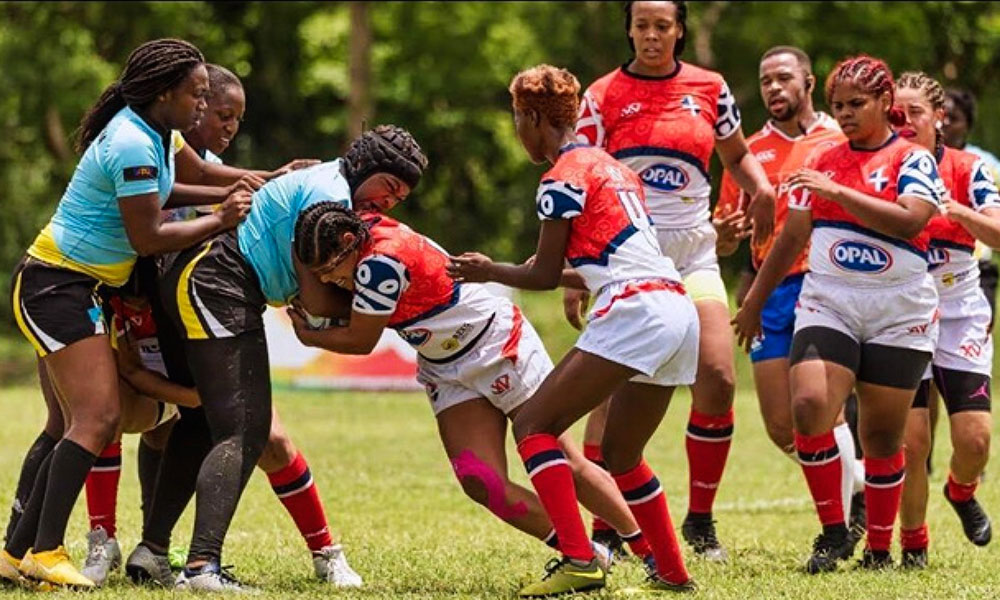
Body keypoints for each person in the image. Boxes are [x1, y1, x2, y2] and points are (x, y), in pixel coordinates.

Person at [92, 63, 359, 589]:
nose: (228, 125)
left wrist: (276, 180)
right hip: (135, 299)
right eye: (219, 112)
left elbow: (233, 197)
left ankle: (323, 550)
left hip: (177, 302)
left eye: (237, 117)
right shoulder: (147, 147)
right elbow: (162, 222)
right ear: (184, 103)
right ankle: (115, 544)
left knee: (255, 435)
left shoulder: (203, 163)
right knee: (113, 421)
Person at [1, 38, 253, 590]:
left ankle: (13, 551)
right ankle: (45, 550)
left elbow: (196, 181)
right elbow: (149, 235)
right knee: (97, 418)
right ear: (163, 91)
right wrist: (222, 220)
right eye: (196, 94)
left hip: (75, 287)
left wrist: (265, 178)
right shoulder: (132, 142)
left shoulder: (159, 132)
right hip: (54, 285)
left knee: (69, 424)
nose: (203, 105)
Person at [285, 204, 658, 573]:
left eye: (331, 271)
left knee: (564, 459)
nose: (332, 281)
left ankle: (650, 553)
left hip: (496, 344)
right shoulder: (357, 231)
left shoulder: (380, 263)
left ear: (350, 241)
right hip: (444, 367)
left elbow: (360, 340)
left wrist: (309, 336)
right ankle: (587, 555)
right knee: (482, 482)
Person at [136, 124, 426, 592]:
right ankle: (201, 567)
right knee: (245, 429)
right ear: (367, 169)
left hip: (206, 275)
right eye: (389, 187)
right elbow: (314, 299)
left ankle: (152, 550)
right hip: (220, 278)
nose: (390, 202)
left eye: (401, 197)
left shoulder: (332, 187)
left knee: (199, 418)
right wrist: (389, 306)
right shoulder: (328, 196)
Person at [449, 63, 699, 597]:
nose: (517, 129)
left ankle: (580, 558)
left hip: (635, 309)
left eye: (517, 117)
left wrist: (489, 269)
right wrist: (541, 271)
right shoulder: (610, 167)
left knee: (535, 425)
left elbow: (540, 274)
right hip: (676, 307)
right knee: (622, 453)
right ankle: (672, 573)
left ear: (535, 117)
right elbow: (604, 259)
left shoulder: (560, 178)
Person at [570, 0, 776, 560]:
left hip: (694, 256)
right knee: (608, 394)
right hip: (627, 258)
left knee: (718, 376)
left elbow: (738, 156)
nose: (652, 36)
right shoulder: (602, 94)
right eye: (642, 26)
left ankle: (701, 522)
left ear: (679, 30)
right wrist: (574, 274)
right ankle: (605, 530)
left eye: (663, 26)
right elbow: (579, 179)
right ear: (629, 30)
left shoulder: (710, 87)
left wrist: (763, 189)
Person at [733, 55, 946, 572]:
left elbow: (909, 221)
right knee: (808, 406)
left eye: (857, 104)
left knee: (879, 437)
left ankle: (877, 547)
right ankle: (832, 531)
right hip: (829, 299)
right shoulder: (823, 161)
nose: (846, 114)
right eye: (839, 106)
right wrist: (754, 300)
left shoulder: (912, 159)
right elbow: (791, 236)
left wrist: (839, 193)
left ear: (884, 103)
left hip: (898, 309)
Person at [714, 46, 866, 544]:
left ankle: (839, 525)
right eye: (765, 82)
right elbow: (724, 235)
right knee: (782, 426)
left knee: (821, 410)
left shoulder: (841, 137)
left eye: (783, 78)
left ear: (808, 80)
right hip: (767, 290)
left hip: (825, 284)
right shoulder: (748, 152)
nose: (774, 89)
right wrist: (728, 235)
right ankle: (863, 485)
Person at [893, 72, 998, 568]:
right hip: (902, 312)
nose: (905, 121)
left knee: (975, 440)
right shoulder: (882, 165)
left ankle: (960, 489)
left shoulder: (968, 166)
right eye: (897, 111)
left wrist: (954, 209)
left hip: (959, 310)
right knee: (913, 444)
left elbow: (997, 232)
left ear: (939, 117)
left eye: (916, 112)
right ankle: (913, 544)